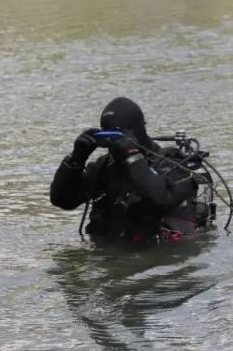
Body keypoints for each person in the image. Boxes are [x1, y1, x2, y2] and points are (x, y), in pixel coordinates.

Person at [50, 97, 213, 243]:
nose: (112, 142)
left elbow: (160, 198)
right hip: (109, 253)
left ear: (135, 132)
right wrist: (76, 159)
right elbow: (63, 200)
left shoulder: (173, 162)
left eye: (116, 135)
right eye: (106, 136)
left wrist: (132, 155)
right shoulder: (103, 167)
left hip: (157, 256)